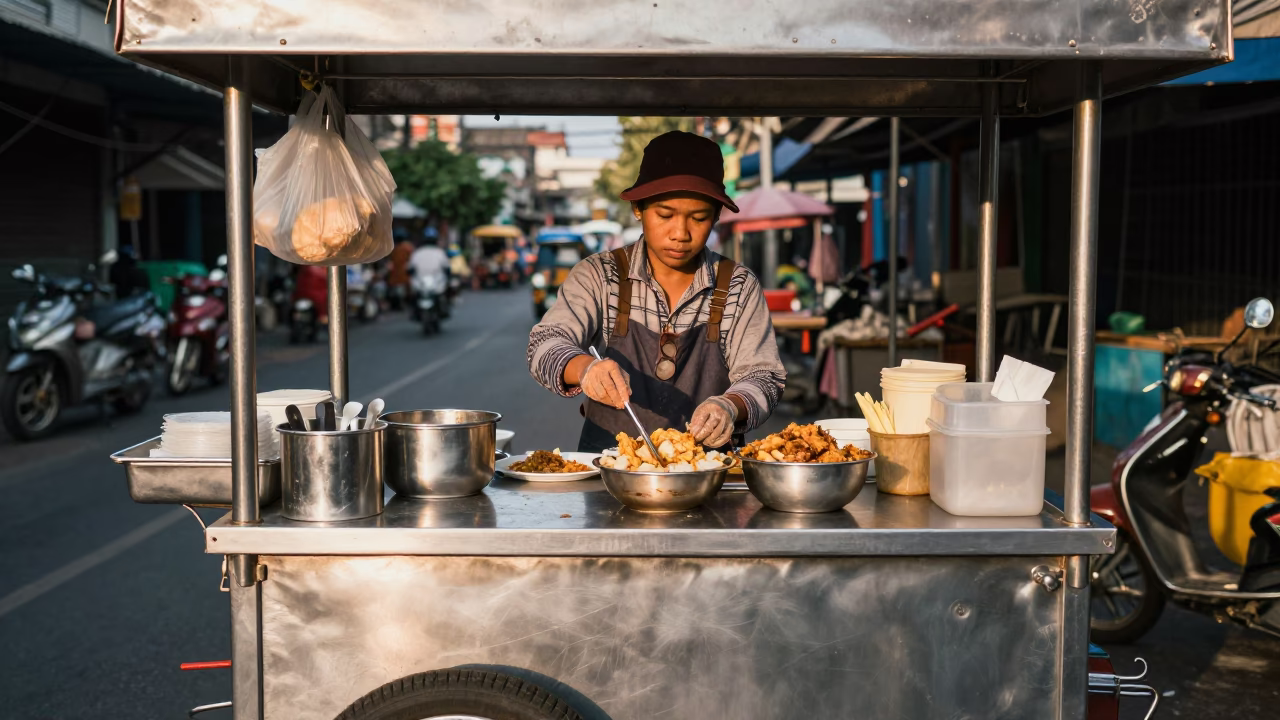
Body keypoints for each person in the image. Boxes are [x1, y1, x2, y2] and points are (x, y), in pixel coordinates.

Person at [528, 131, 785, 452]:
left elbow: (764, 375)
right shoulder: (598, 274)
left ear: (716, 216)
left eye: (699, 217)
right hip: (608, 472)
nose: (680, 233)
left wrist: (730, 407)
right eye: (665, 215)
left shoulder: (737, 284)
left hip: (708, 474)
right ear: (638, 207)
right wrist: (585, 369)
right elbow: (544, 345)